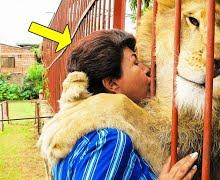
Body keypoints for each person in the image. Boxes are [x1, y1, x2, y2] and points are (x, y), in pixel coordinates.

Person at [41, 29, 198, 179]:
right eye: (135, 63)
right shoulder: (109, 140)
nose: (147, 69)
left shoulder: (73, 131)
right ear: (112, 84)